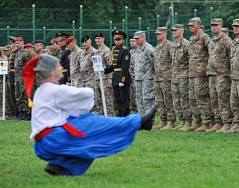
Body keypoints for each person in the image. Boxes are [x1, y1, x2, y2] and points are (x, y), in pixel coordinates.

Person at [22, 53, 157, 176]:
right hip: (54, 139)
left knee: (90, 143)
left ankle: (60, 166)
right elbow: (87, 94)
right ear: (51, 71)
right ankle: (139, 122)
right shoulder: (56, 90)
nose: (61, 67)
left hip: (44, 143)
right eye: (58, 65)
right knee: (95, 123)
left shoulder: (41, 90)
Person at [186, 17, 214, 132]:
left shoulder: (204, 37)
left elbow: (212, 51)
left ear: (198, 25)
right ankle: (197, 121)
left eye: (193, 25)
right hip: (192, 73)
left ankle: (207, 122)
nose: (191, 27)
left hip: (201, 74)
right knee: (193, 98)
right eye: (190, 25)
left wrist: (207, 67)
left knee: (202, 97)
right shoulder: (192, 38)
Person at [206, 18, 233, 132]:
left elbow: (231, 56)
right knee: (214, 99)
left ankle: (226, 122)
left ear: (221, 26)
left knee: (223, 99)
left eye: (216, 25)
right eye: (212, 25)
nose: (214, 27)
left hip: (222, 74)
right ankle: (218, 122)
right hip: (212, 74)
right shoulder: (212, 40)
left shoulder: (226, 40)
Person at [152, 27, 176, 130]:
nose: (158, 35)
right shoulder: (157, 47)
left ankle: (171, 121)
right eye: (157, 34)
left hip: (166, 77)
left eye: (160, 34)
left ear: (165, 34)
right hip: (157, 77)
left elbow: (173, 61)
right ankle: (163, 120)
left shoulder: (169, 46)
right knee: (159, 100)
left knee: (168, 100)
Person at [170, 24, 193, 131]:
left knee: (185, 99)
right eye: (173, 30)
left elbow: (191, 61)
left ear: (182, 31)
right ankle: (182, 120)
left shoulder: (187, 44)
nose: (174, 32)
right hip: (174, 76)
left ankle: (188, 121)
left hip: (184, 76)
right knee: (176, 100)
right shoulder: (173, 45)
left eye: (176, 30)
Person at [104, 30, 131, 117]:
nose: (117, 41)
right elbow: (114, 66)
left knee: (124, 101)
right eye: (115, 40)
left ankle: (125, 119)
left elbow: (125, 67)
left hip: (122, 77)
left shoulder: (125, 51)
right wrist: (104, 70)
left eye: (119, 40)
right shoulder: (115, 50)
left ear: (122, 40)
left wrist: (122, 80)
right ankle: (119, 118)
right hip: (115, 77)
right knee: (118, 100)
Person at [134, 31, 155, 116]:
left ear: (143, 38)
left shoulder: (149, 49)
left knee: (147, 99)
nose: (136, 40)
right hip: (138, 78)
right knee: (139, 99)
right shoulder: (138, 49)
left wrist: (152, 74)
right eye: (135, 39)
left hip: (147, 78)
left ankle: (149, 119)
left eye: (137, 38)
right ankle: (142, 119)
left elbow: (154, 63)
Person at [94, 32, 114, 116]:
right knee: (98, 100)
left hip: (105, 79)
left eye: (99, 38)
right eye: (96, 39)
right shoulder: (96, 51)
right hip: (97, 78)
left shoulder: (106, 50)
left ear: (103, 39)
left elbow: (111, 65)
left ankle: (109, 117)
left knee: (107, 99)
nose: (97, 40)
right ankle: (101, 118)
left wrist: (104, 70)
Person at [14, 37, 29, 120]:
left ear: (22, 43)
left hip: (22, 77)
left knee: (24, 95)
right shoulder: (17, 53)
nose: (17, 44)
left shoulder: (24, 53)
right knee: (18, 96)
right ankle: (21, 112)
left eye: (19, 43)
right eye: (16, 43)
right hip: (17, 77)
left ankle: (26, 112)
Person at [129, 35, 138, 113]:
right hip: (131, 78)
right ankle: (135, 113)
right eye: (131, 41)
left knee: (138, 97)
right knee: (132, 98)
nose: (132, 43)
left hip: (138, 77)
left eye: (133, 41)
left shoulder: (140, 51)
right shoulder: (130, 52)